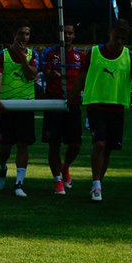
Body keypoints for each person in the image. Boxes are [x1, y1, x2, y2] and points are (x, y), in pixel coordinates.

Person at [75, 19, 132, 201]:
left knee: (108, 148)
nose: (119, 41)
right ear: (109, 33)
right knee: (99, 143)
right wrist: (72, 97)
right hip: (95, 104)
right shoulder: (94, 52)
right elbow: (82, 76)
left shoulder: (130, 56)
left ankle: (98, 183)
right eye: (117, 37)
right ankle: (96, 184)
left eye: (123, 38)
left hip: (117, 106)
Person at [0, 23, 40, 198]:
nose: (24, 37)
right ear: (14, 34)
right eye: (21, 33)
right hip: (6, 106)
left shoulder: (33, 54)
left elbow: (31, 75)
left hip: (26, 105)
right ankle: (2, 167)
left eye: (27, 34)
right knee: (5, 145)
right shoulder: (1, 55)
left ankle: (19, 183)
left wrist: (23, 59)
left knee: (23, 144)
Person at [40, 23, 85, 195]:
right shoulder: (50, 53)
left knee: (76, 144)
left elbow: (84, 77)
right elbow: (45, 72)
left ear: (74, 35)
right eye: (64, 33)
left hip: (72, 103)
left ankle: (65, 166)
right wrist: (52, 73)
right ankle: (57, 180)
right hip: (53, 101)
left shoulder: (80, 56)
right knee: (54, 143)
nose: (67, 35)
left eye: (70, 33)